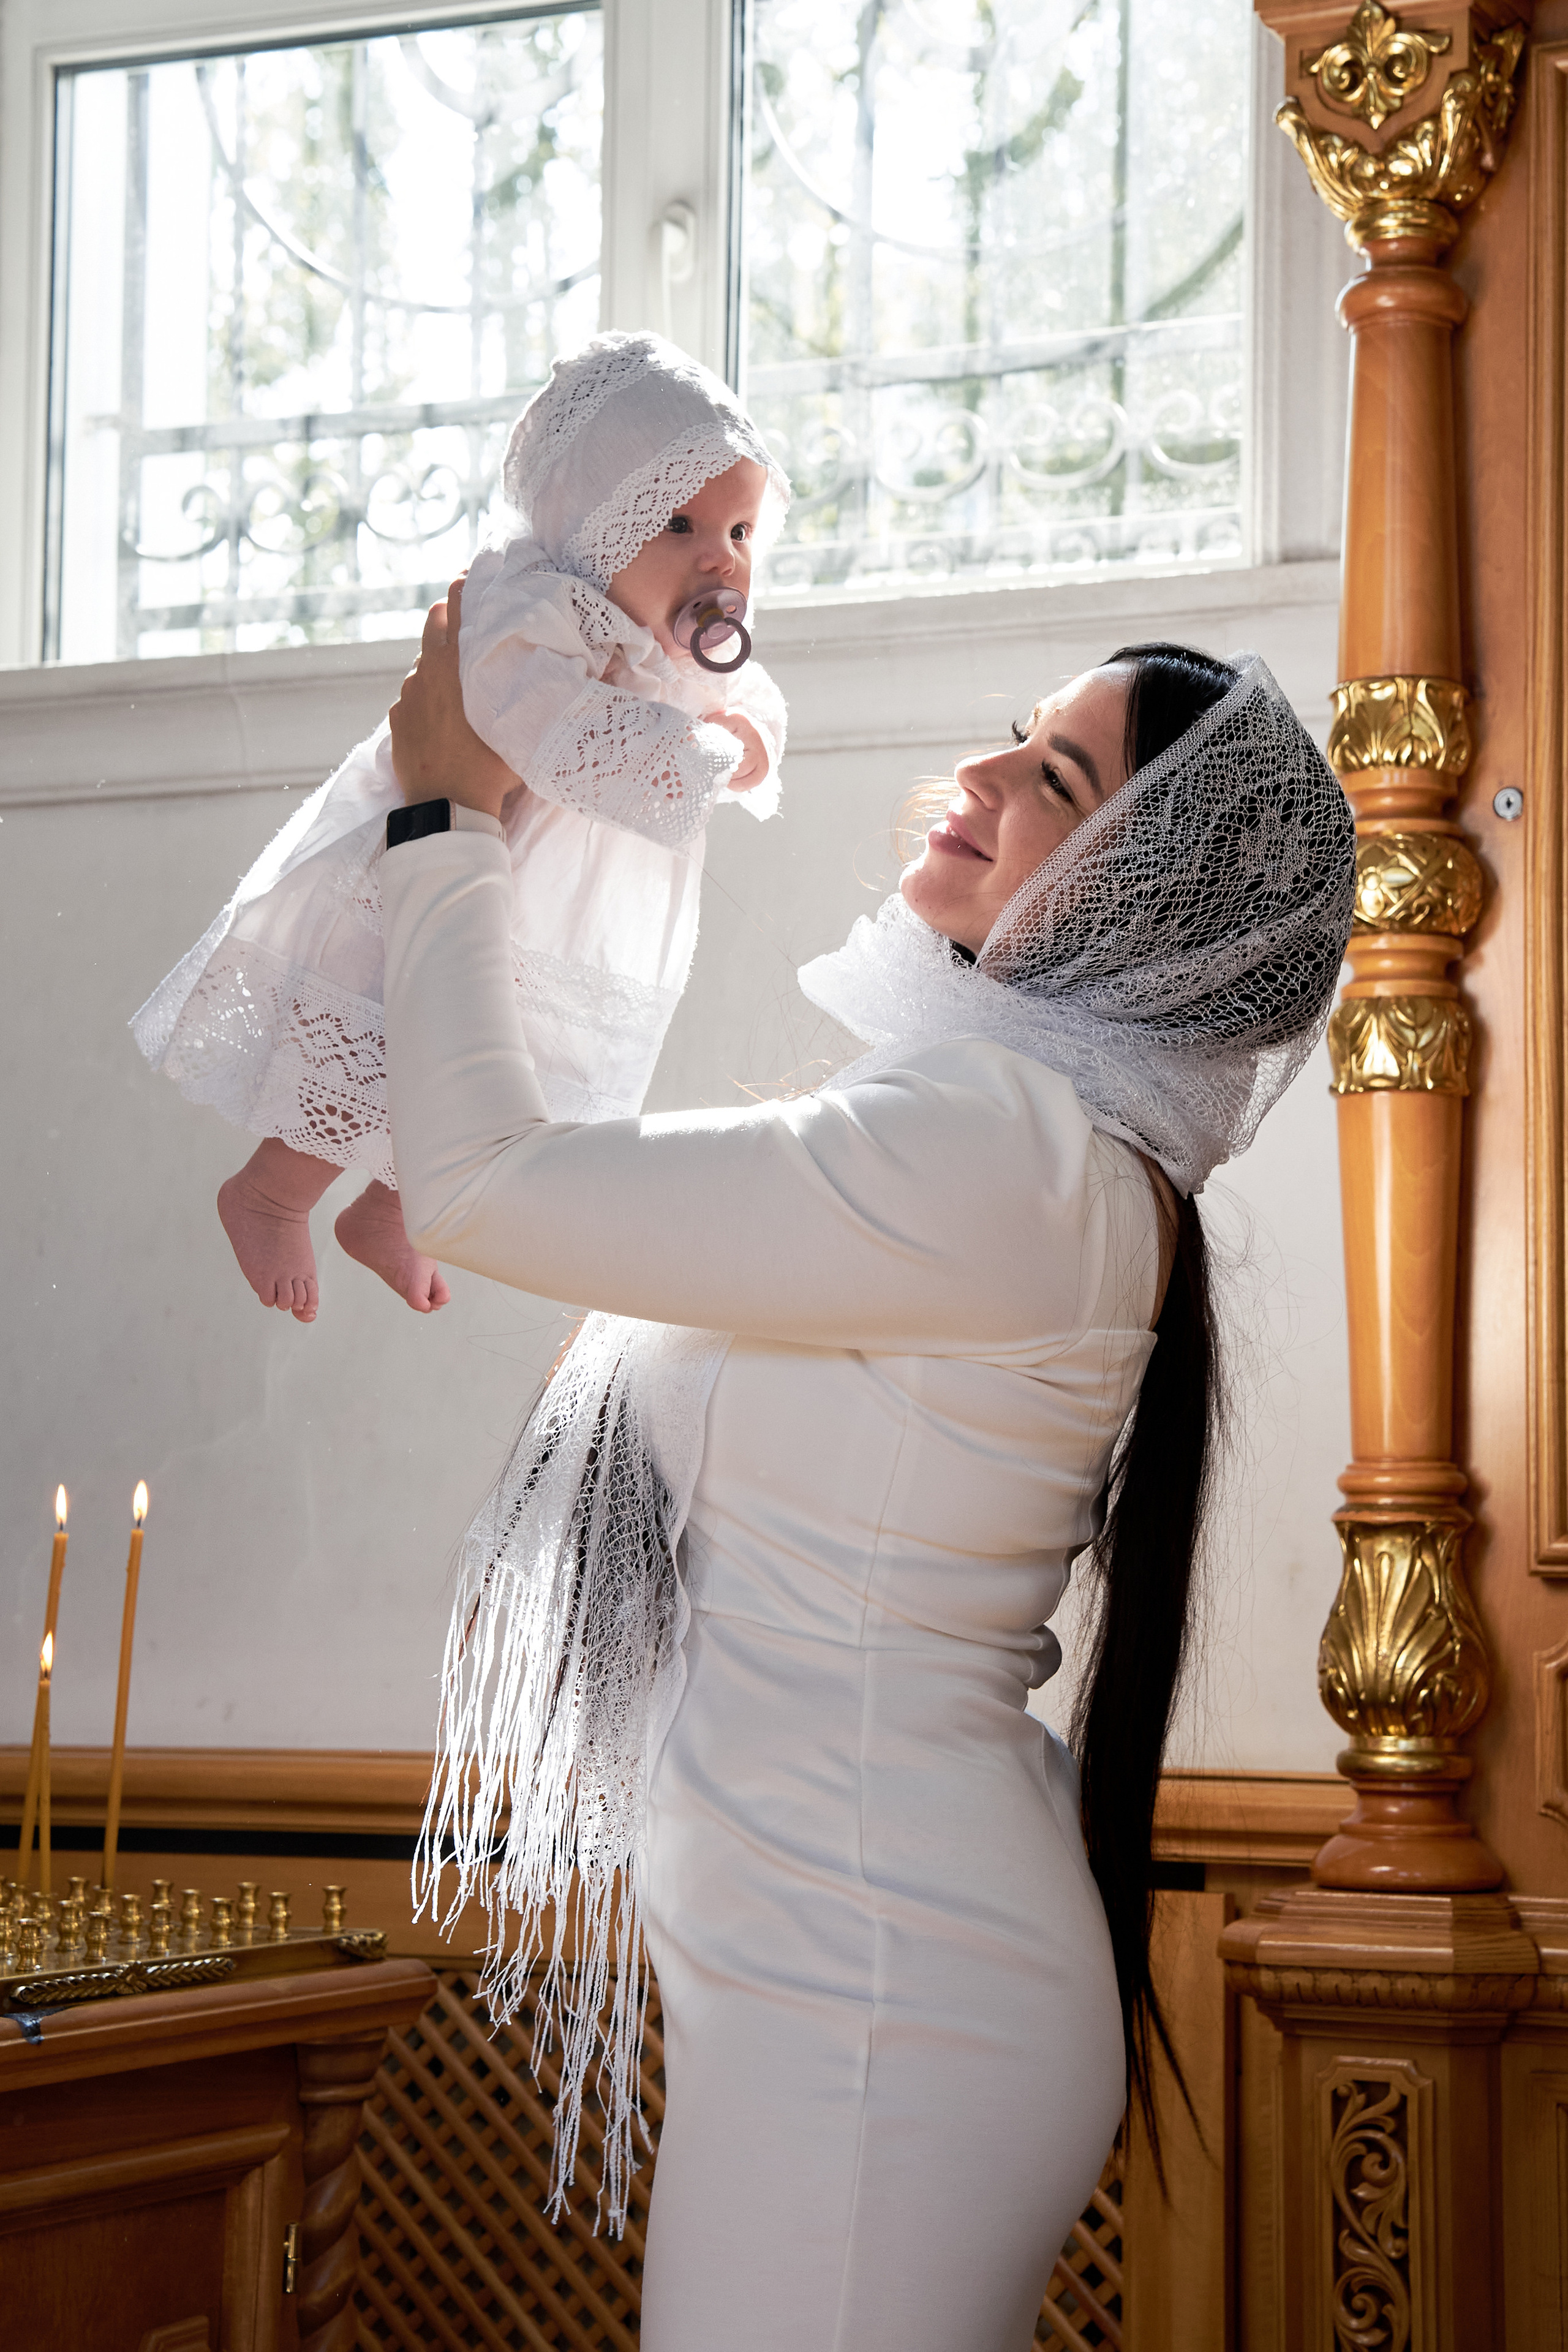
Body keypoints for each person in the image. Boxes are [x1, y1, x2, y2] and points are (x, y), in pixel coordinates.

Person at [382, 589, 1355, 2352]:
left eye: (1054, 773)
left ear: (1139, 897)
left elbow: (489, 1179)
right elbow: (588, 1214)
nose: (976, 772)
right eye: (1015, 729)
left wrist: (440, 812)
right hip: (864, 1977)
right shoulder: (1018, 1145)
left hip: (880, 2003)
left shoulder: (1001, 1150)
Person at [130, 333, 789, 1323]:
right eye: (681, 523)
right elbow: (539, 718)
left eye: (739, 532)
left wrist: (746, 741)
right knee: (390, 1034)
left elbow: (757, 704)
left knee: (494, 1058)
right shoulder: (534, 604)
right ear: (591, 524)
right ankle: (273, 1189)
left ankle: (398, 1209)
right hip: (436, 860)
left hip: (543, 909)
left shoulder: (681, 645)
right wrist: (690, 752)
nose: (718, 558)